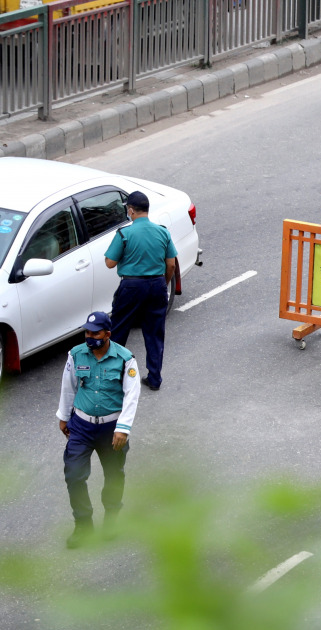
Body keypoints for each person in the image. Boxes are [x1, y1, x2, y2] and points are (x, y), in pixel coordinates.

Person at [55, 312, 140, 549]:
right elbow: (68, 386)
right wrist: (63, 416)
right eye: (87, 332)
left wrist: (123, 429)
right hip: (81, 426)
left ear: (107, 334)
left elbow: (132, 395)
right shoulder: (76, 354)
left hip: (112, 429)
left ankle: (112, 518)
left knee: (114, 475)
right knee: (73, 475)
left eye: (95, 333)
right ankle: (83, 525)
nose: (90, 337)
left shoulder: (125, 359)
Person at [104, 190, 177, 392]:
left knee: (119, 330)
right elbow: (170, 265)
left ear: (130, 210)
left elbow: (110, 263)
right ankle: (154, 378)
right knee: (154, 333)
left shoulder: (125, 234)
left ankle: (114, 378)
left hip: (132, 287)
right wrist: (164, 283)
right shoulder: (163, 232)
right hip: (157, 285)